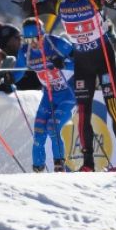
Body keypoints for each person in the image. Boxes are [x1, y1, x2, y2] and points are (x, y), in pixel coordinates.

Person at [20, 0, 116, 172]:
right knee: (82, 112)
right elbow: (30, 10)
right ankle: (88, 163)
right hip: (83, 62)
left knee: (112, 107)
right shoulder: (58, 1)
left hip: (103, 58)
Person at [22, 17, 76, 172]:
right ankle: (38, 168)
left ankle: (59, 164)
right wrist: (8, 79)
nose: (32, 43)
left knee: (53, 127)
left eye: (35, 38)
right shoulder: (26, 51)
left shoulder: (56, 43)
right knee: (39, 131)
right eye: (28, 40)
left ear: (43, 34)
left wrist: (64, 63)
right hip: (49, 94)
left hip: (68, 94)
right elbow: (17, 72)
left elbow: (80, 60)